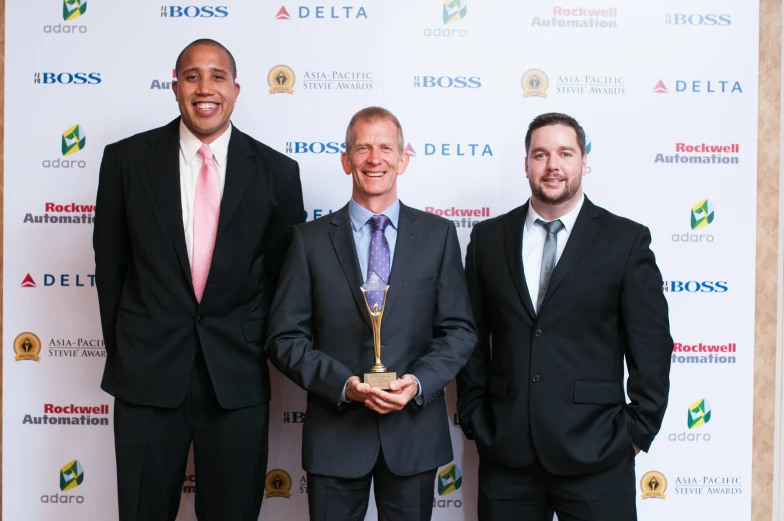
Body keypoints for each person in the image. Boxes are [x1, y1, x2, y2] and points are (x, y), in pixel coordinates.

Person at [93, 38, 304, 521]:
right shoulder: (126, 162)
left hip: (236, 381)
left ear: (235, 88)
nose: (204, 87)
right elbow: (111, 270)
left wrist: (255, 347)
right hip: (146, 377)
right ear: (174, 86)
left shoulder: (277, 172)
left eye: (216, 76)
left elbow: (282, 280)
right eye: (191, 76)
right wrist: (131, 348)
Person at [457, 112, 672, 521]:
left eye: (565, 153)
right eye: (540, 154)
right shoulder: (486, 239)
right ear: (526, 165)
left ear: (583, 161)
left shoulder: (625, 241)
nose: (553, 165)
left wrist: (636, 431)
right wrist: (474, 415)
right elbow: (469, 336)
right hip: (508, 454)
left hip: (598, 453)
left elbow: (652, 344)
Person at [265, 106, 476, 521]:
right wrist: (345, 385)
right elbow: (283, 338)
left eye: (385, 148)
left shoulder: (438, 236)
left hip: (412, 434)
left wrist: (417, 383)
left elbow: (459, 331)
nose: (374, 159)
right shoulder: (309, 241)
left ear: (403, 159)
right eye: (362, 148)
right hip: (336, 434)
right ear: (346, 160)